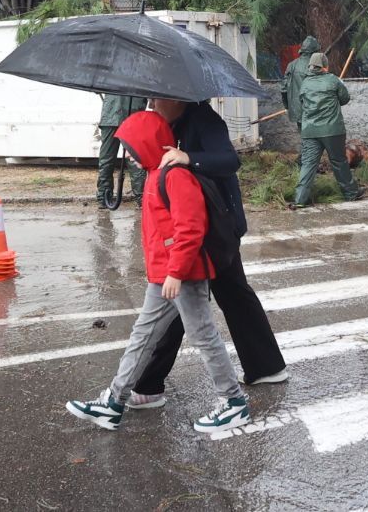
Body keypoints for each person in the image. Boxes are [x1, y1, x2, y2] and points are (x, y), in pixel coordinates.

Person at [66, 110, 250, 433]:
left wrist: (176, 272)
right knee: (143, 335)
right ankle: (114, 401)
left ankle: (234, 402)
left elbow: (190, 229)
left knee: (202, 335)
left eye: (133, 149)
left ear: (148, 146)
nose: (131, 156)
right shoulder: (155, 173)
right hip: (165, 277)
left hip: (183, 276)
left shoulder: (174, 176)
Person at [127, 98, 288, 405]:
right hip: (196, 227)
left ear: (176, 97)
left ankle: (148, 386)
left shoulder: (204, 119)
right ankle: (267, 366)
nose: (151, 104)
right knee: (226, 295)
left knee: (184, 299)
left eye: (155, 99)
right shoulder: (169, 122)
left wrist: (188, 156)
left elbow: (229, 161)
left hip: (215, 228)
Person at [293, 52, 363, 207]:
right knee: (339, 161)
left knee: (308, 164)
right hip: (332, 130)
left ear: (311, 66)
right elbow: (345, 99)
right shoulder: (333, 80)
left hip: (310, 131)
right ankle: (351, 193)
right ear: (325, 66)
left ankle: (299, 199)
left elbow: (301, 102)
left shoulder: (305, 83)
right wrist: (340, 84)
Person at [97, 94, 145, 208]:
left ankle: (104, 197)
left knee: (108, 159)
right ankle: (141, 197)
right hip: (128, 113)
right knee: (134, 159)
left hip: (112, 113)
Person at [281, 35, 320, 126]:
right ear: (315, 51)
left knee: (305, 138)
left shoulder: (291, 65)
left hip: (298, 111)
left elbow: (284, 89)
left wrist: (288, 106)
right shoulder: (318, 66)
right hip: (317, 111)